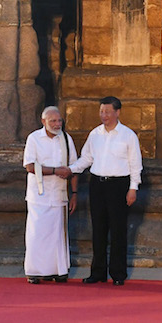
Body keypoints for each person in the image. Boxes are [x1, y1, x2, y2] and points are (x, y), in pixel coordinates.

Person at [65, 96, 142, 286]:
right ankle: (98, 272)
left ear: (117, 112)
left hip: (119, 185)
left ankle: (118, 274)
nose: (104, 115)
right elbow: (86, 159)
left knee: (118, 230)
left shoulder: (128, 135)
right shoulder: (95, 134)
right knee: (98, 229)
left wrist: (133, 188)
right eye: (101, 111)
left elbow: (135, 164)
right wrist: (70, 169)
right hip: (97, 184)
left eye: (107, 111)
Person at [22, 106, 78, 284]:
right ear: (43, 121)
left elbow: (74, 168)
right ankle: (35, 271)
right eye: (53, 121)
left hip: (59, 194)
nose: (57, 124)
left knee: (57, 234)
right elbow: (30, 166)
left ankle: (58, 271)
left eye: (59, 120)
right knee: (37, 233)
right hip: (39, 194)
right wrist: (55, 170)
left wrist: (75, 193)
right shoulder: (34, 138)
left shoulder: (66, 139)